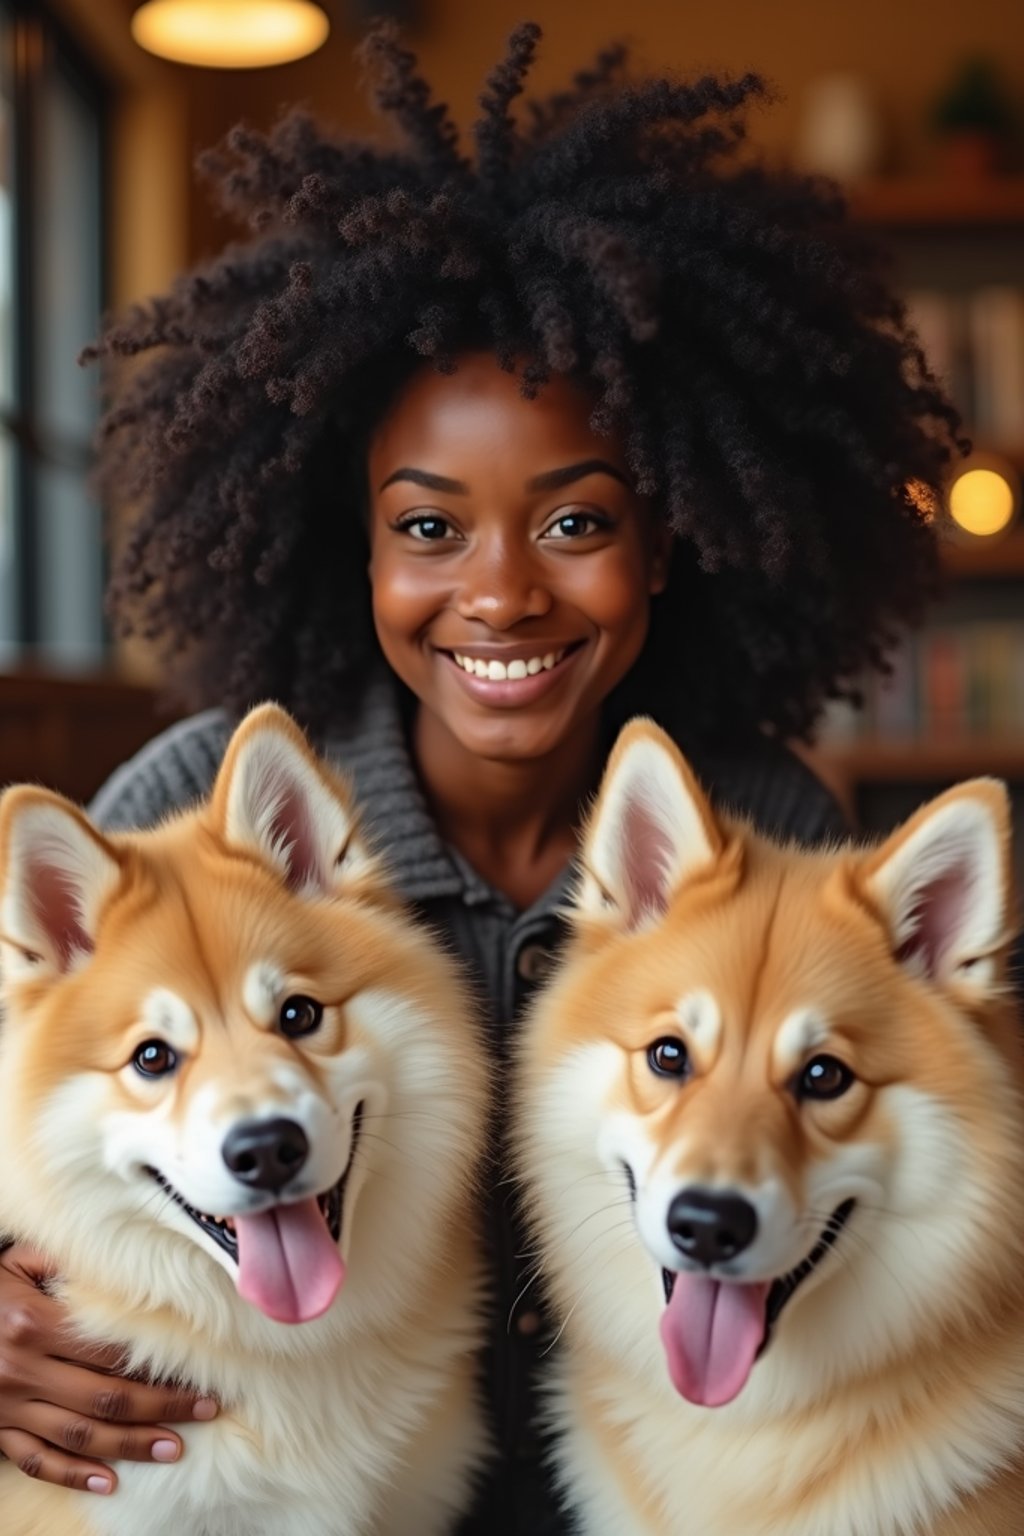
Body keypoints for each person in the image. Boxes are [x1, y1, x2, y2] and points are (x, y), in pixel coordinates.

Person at [0, 22, 960, 1535]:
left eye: (575, 524)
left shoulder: (758, 816)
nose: (501, 595)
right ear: (355, 547)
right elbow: (45, 1084)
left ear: (671, 538)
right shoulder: (198, 805)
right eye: (429, 528)